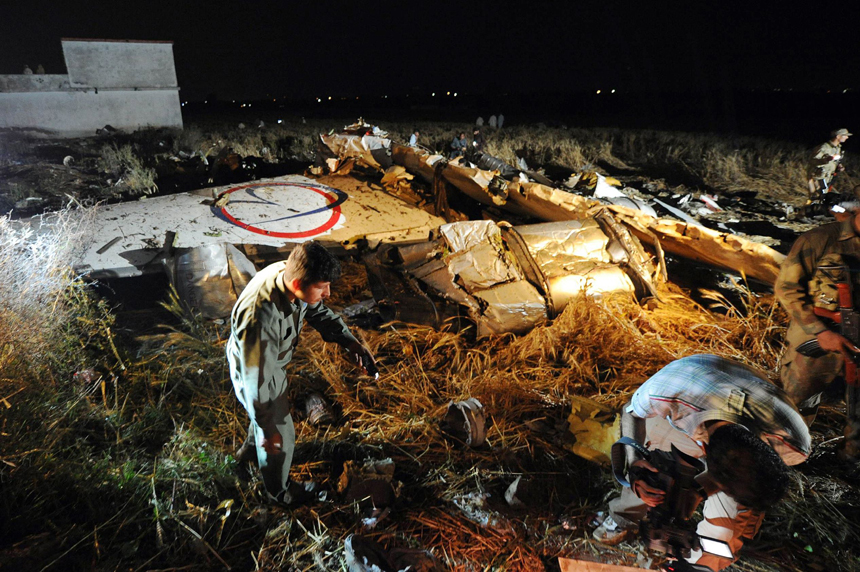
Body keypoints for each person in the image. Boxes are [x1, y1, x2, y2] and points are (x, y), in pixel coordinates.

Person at [592, 354, 810, 571]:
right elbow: (631, 411)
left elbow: (751, 475)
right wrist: (635, 463)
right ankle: (625, 514)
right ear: (705, 451)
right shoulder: (668, 392)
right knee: (652, 460)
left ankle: (699, 566)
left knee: (728, 530)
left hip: (740, 415)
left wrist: (699, 490)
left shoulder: (792, 442)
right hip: (689, 408)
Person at [226, 242, 376, 504]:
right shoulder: (259, 316)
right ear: (297, 284)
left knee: (267, 424)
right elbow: (256, 382)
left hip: (267, 363)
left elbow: (318, 311)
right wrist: (269, 427)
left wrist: (350, 341)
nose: (328, 293)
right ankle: (279, 494)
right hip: (255, 368)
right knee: (280, 434)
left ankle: (246, 458)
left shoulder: (292, 275)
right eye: (322, 287)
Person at [775, 201, 860, 457]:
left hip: (856, 345)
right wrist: (820, 331)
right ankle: (782, 457)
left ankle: (850, 463)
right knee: (794, 406)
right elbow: (787, 288)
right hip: (817, 343)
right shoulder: (822, 239)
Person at [808, 128, 851, 199]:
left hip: (828, 177)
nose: (847, 137)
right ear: (838, 136)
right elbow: (812, 160)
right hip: (819, 177)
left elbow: (835, 161)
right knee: (817, 195)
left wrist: (839, 166)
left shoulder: (837, 148)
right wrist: (826, 159)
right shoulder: (824, 147)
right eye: (845, 135)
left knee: (822, 196)